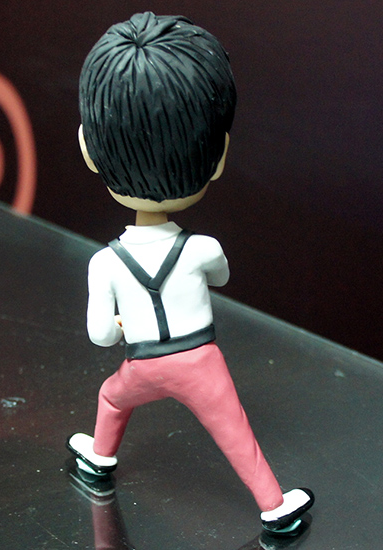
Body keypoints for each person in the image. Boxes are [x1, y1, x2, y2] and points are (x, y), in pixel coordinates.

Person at [68, 12, 314, 534]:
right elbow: (219, 277)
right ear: (218, 157)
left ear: (89, 149)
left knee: (111, 395)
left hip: (143, 365)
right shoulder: (202, 249)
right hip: (202, 362)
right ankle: (274, 505)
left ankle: (100, 458)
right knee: (234, 431)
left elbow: (100, 334)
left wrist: (123, 326)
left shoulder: (105, 262)